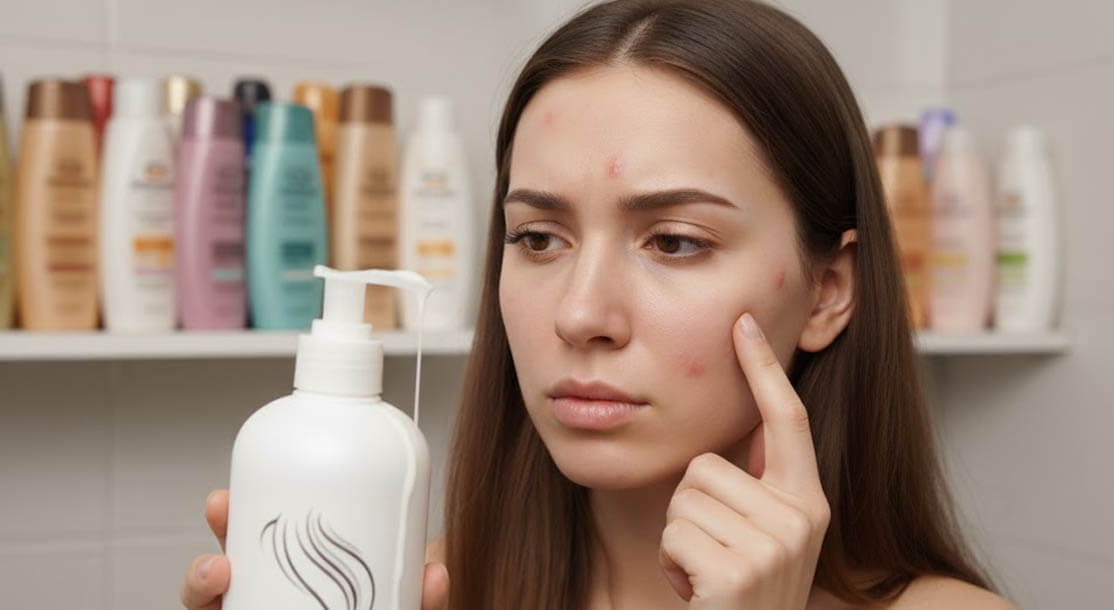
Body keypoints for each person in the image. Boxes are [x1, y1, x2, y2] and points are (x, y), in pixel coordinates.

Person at [181, 1, 1018, 608]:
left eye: (675, 241)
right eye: (539, 238)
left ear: (830, 290)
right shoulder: (405, 590)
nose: (580, 316)